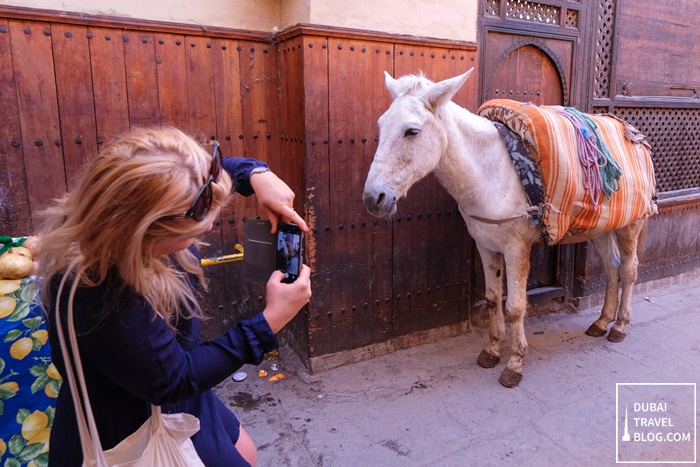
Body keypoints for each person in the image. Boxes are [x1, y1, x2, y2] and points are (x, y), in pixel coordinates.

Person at [38, 127, 312, 466]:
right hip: (131, 420)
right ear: (146, 229)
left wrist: (256, 175)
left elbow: (193, 174)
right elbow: (173, 380)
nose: (210, 226)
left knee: (247, 452)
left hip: (178, 391)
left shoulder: (119, 211)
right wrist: (271, 320)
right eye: (199, 225)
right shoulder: (102, 290)